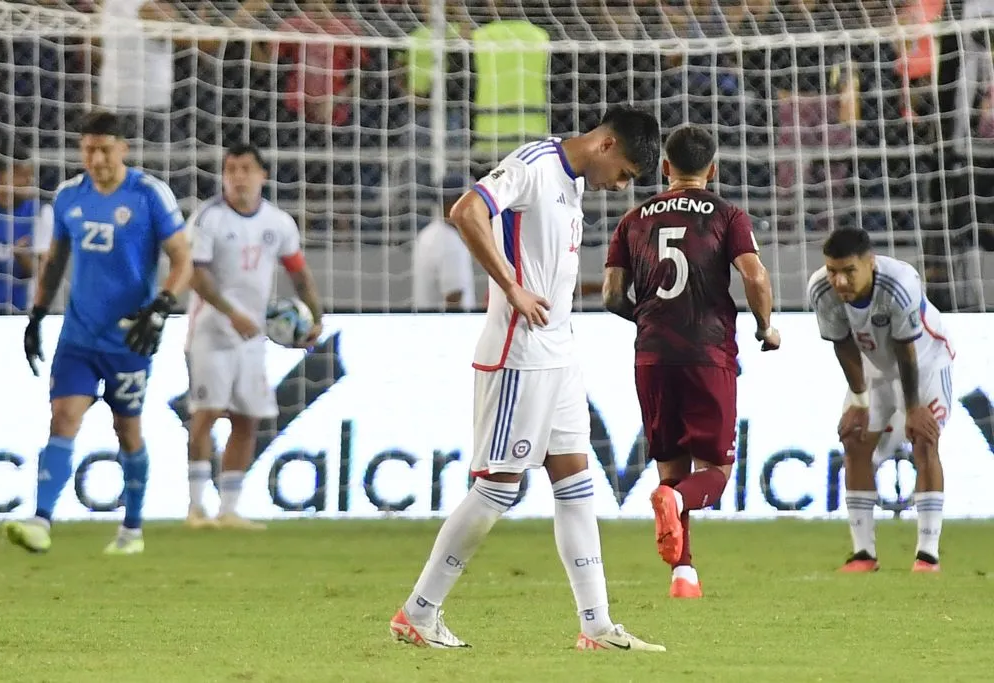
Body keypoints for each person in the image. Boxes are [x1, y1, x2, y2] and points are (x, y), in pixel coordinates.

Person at [390, 106, 665, 652]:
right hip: (519, 354)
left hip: (559, 355)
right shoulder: (535, 163)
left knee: (576, 485)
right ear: (607, 145)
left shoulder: (572, 183)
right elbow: (466, 211)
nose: (620, 187)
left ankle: (597, 626)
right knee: (496, 488)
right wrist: (512, 287)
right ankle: (418, 612)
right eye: (626, 175)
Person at [602, 125, 780, 599]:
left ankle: (684, 575)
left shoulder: (633, 219)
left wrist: (649, 320)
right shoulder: (727, 215)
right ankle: (677, 503)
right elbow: (755, 276)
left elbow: (611, 294)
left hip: (652, 357)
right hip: (708, 353)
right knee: (715, 474)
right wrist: (766, 326)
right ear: (713, 169)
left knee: (670, 464)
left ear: (664, 168)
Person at [5, 110, 193, 555]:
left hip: (130, 337)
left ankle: (131, 530)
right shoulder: (70, 196)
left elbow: (183, 259)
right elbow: (54, 262)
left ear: (123, 149)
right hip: (79, 335)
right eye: (88, 149)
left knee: (126, 429)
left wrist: (162, 307)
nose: (96, 158)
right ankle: (41, 520)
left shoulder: (149, 195)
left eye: (105, 148)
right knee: (63, 417)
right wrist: (36, 315)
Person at [185, 143, 324, 530]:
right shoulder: (207, 218)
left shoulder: (278, 223)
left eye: (246, 169)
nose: (238, 177)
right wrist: (232, 313)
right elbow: (196, 275)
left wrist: (317, 316)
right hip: (211, 332)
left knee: (248, 419)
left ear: (263, 175)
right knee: (206, 413)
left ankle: (228, 509)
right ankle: (195, 508)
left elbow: (298, 273)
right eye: (231, 169)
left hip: (252, 337)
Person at [807, 227, 954, 573]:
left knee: (924, 441)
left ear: (870, 264)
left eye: (848, 271)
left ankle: (927, 555)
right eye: (832, 270)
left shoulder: (900, 283)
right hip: (875, 369)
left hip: (927, 363)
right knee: (855, 442)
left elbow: (906, 351)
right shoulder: (821, 289)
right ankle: (863, 554)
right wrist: (858, 399)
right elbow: (842, 343)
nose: (839, 281)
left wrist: (914, 407)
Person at [0, 151, 52, 314]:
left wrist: (21, 255)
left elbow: (42, 274)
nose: (28, 181)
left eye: (30, 175)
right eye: (21, 175)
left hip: (17, 310)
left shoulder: (42, 212)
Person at [412, 174, 476, 312]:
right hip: (447, 328)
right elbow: (454, 297)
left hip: (428, 322)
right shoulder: (449, 243)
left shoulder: (429, 233)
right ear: (455, 203)